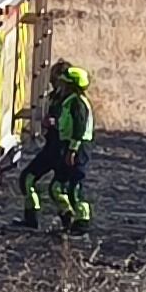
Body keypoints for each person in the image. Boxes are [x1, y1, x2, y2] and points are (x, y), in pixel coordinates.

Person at [22, 59, 95, 231]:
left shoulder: (76, 102)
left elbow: (77, 127)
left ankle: (79, 222)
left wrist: (71, 150)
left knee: (71, 188)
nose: (55, 82)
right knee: (54, 186)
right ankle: (64, 216)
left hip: (66, 149)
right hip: (59, 147)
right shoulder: (63, 99)